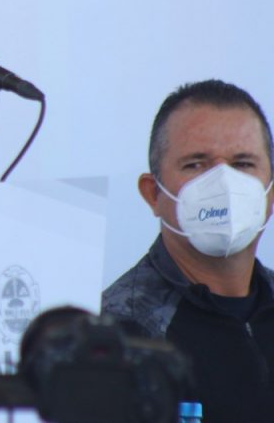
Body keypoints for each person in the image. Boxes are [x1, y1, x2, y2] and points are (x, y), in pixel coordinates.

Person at [102, 80, 274, 423]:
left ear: (270, 193)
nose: (223, 184)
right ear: (154, 194)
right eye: (196, 164)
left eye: (243, 164)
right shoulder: (115, 336)